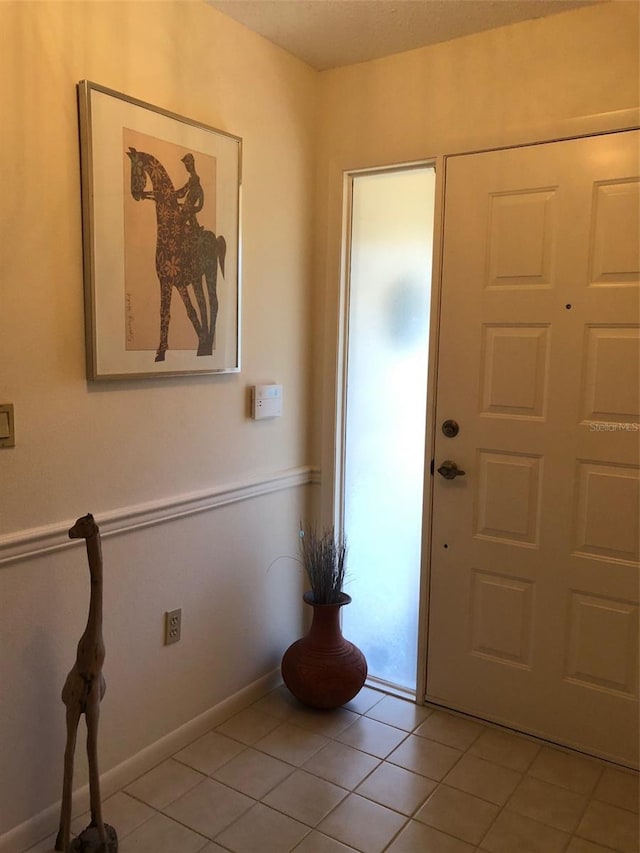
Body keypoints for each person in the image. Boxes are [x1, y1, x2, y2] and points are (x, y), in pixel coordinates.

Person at [175, 153, 204, 233]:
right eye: (186, 163)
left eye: (188, 163)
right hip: (187, 209)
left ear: (192, 164)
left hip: (188, 210)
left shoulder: (194, 180)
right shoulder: (192, 179)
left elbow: (182, 193)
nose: (187, 166)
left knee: (177, 227)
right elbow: (183, 192)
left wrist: (171, 194)